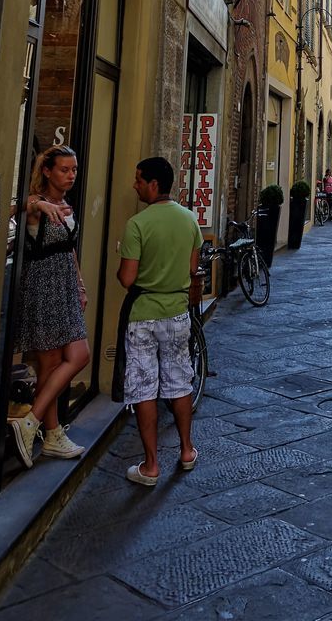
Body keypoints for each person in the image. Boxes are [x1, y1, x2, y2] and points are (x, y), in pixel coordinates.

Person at [115, 156, 203, 486]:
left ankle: (151, 466)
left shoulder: (137, 224)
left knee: (144, 389)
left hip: (142, 317)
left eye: (138, 180)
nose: (134, 185)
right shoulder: (190, 220)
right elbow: (192, 269)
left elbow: (127, 278)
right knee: (179, 382)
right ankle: (186, 450)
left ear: (154, 185)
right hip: (177, 313)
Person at [10, 145, 91, 468]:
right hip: (42, 287)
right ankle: (50, 433)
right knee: (52, 362)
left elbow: (69, 250)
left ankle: (32, 422)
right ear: (47, 171)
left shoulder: (65, 204)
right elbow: (16, 205)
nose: (71, 175)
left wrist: (80, 284)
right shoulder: (36, 205)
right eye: (64, 170)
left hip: (65, 286)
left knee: (74, 357)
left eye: (73, 170)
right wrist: (39, 203)